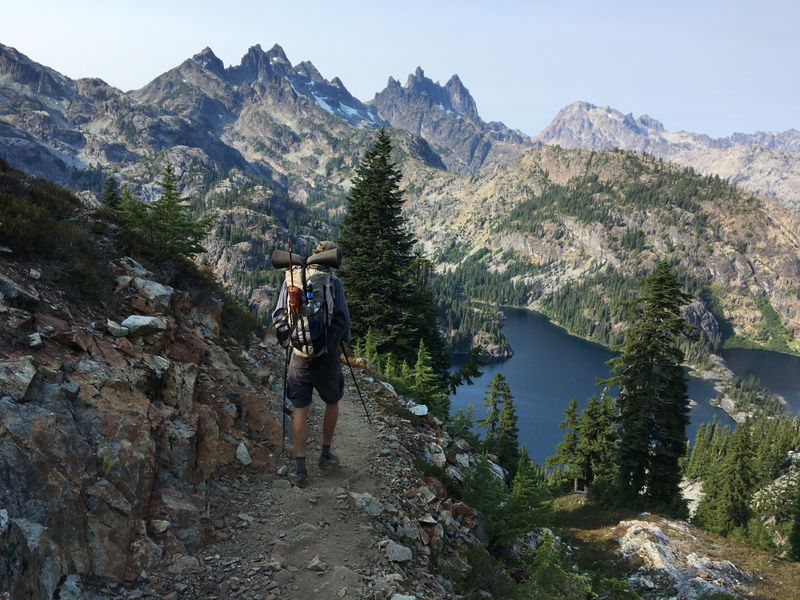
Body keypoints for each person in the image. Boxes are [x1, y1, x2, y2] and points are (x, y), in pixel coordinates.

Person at [272, 240, 351, 488]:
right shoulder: (333, 283)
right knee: (332, 402)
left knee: (300, 409)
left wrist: (290, 343)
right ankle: (325, 456)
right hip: (326, 356)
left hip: (299, 356)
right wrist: (337, 345)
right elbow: (342, 319)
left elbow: (279, 316)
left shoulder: (290, 279)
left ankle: (300, 468)